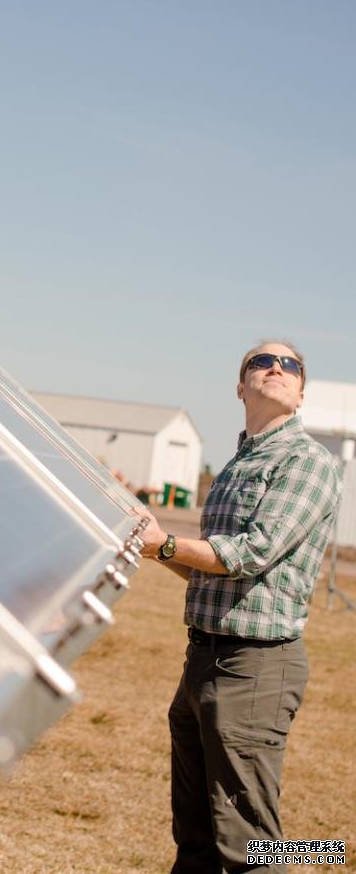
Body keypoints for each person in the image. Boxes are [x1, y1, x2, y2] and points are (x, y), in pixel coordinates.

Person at [140, 341, 342, 872]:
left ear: (300, 394)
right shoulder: (236, 464)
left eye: (289, 365)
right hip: (202, 660)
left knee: (251, 845)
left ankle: (331, 854)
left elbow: (250, 554)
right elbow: (211, 567)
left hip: (255, 668)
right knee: (196, 835)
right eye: (261, 362)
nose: (275, 368)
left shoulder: (307, 462)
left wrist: (164, 544)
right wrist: (157, 545)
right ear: (239, 387)